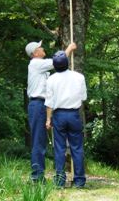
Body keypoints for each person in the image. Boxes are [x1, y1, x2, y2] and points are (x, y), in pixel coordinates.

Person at [25, 40, 76, 182]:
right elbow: (57, 62)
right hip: (37, 105)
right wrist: (69, 49)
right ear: (35, 53)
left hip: (45, 105)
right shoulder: (36, 63)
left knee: (43, 141)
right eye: (40, 47)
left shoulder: (41, 68)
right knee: (38, 141)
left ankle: (43, 175)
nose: (42, 48)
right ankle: (37, 177)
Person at [45, 50, 87, 188]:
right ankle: (79, 181)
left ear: (55, 65)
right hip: (74, 114)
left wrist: (48, 119)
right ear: (67, 63)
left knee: (59, 149)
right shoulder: (79, 77)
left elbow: (49, 103)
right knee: (77, 148)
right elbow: (83, 97)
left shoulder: (51, 79)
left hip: (59, 116)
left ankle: (59, 182)